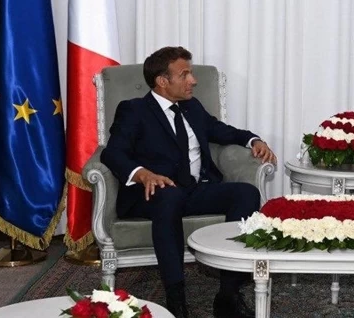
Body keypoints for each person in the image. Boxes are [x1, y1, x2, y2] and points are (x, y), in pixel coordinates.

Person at [101, 46, 277, 318]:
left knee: (246, 194)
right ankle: (176, 298)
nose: (193, 81)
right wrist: (143, 173)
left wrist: (254, 140)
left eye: (191, 74)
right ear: (162, 81)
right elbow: (113, 153)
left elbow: (222, 131)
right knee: (170, 197)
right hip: (153, 194)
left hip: (194, 190)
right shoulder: (134, 110)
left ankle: (228, 295)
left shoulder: (191, 107)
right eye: (184, 75)